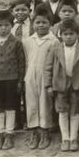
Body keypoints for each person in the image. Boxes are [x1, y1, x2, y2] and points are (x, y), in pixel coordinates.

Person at [46, 19, 79, 152]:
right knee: (62, 112)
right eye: (65, 34)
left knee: (75, 112)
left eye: (71, 34)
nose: (68, 37)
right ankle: (65, 139)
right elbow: (48, 68)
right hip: (60, 85)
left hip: (77, 85)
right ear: (60, 35)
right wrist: (48, 85)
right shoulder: (55, 48)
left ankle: (73, 138)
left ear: (77, 35)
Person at [0, 9, 26, 150]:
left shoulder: (16, 42)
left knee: (11, 106)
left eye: (6, 25)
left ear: (11, 26)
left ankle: (9, 134)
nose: (3, 28)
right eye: (0, 25)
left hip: (12, 79)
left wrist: (20, 80)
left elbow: (21, 63)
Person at [23, 9, 57, 149]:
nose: (41, 25)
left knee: (45, 103)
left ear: (50, 24)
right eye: (37, 22)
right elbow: (25, 60)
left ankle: (44, 131)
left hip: (45, 76)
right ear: (33, 24)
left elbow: (55, 63)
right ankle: (33, 131)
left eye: (44, 22)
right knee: (31, 103)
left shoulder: (54, 41)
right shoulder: (28, 41)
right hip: (30, 75)